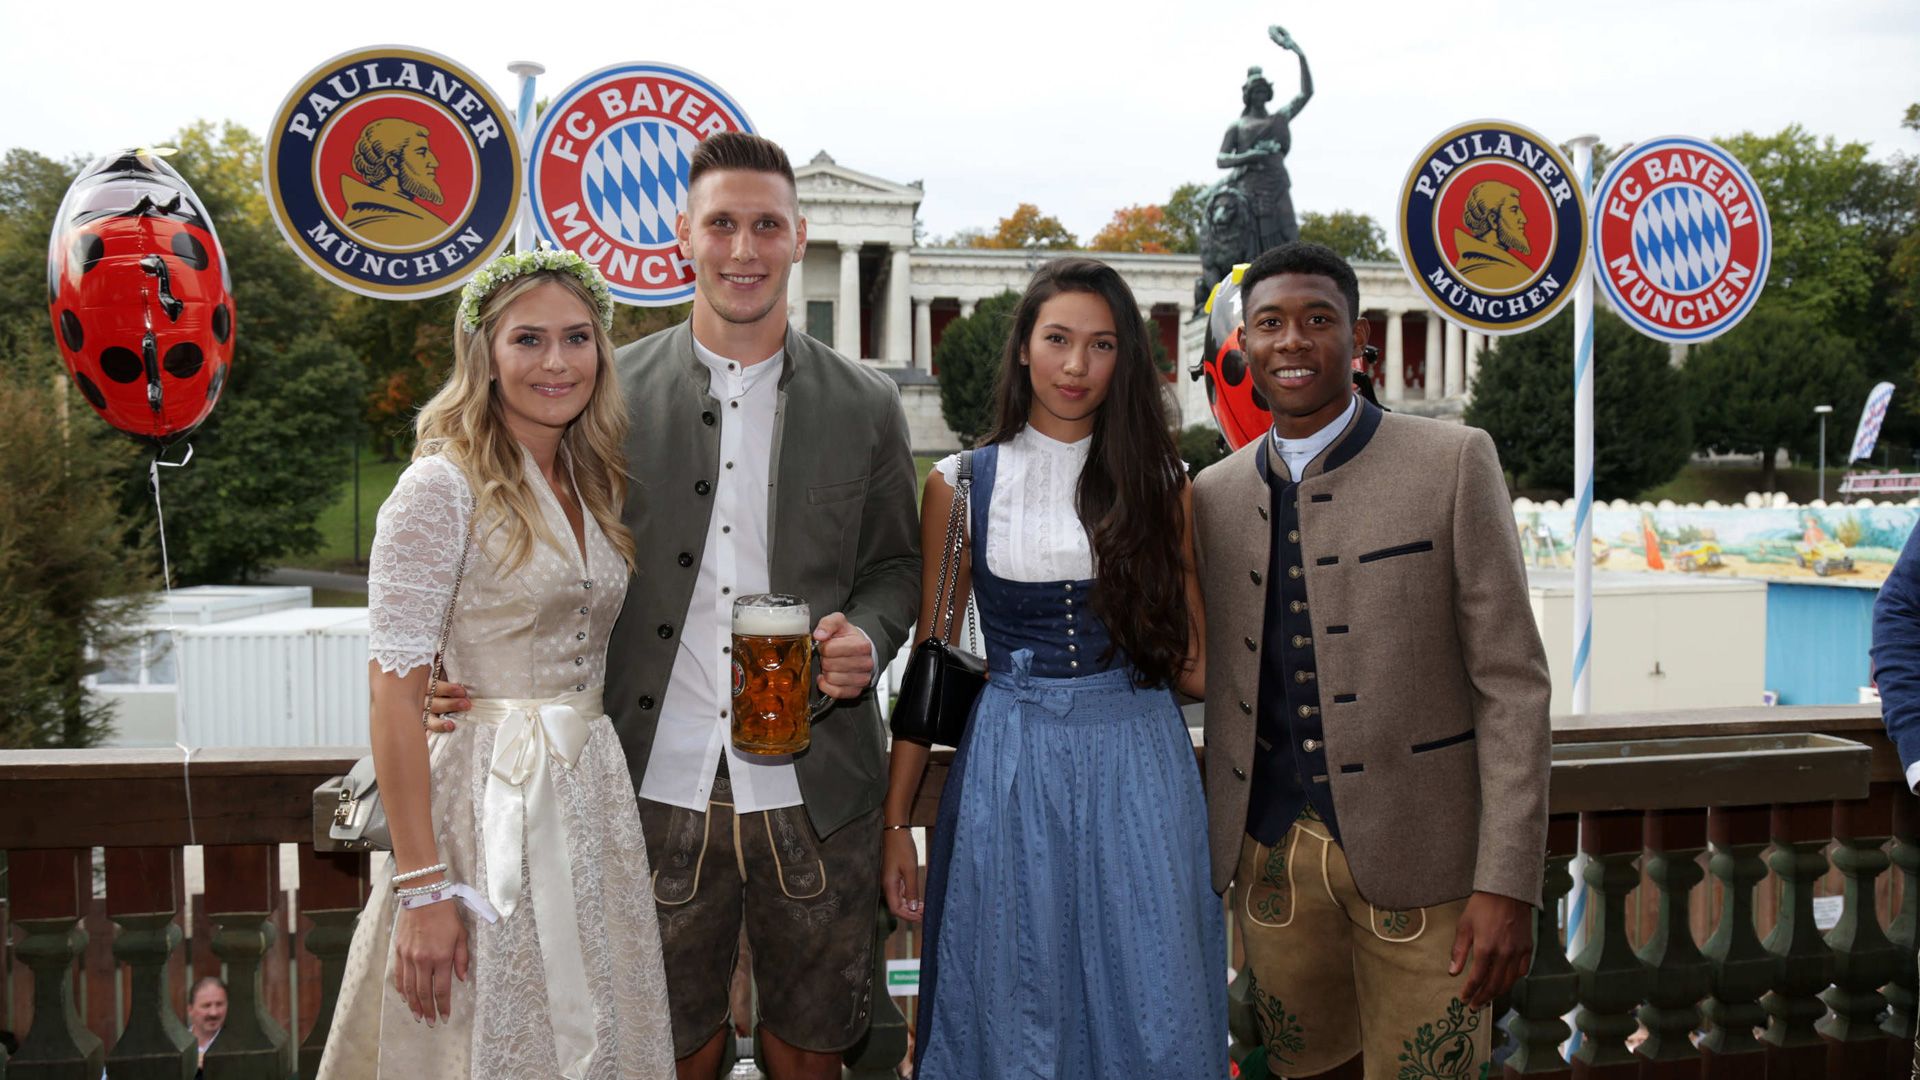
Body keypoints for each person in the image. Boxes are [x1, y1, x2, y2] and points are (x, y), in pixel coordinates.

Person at [435, 132, 921, 1080]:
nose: (744, 249)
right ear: (682, 237)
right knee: (664, 1052)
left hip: (821, 787)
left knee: (812, 1052)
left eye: (766, 226)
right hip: (647, 781)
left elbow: (897, 565)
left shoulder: (866, 402)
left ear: (799, 237)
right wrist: (453, 672)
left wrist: (868, 635)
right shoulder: (600, 389)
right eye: (722, 224)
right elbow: (514, 536)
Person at [1192, 241, 1550, 1080]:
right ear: (1244, 344)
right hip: (1271, 861)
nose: (1292, 340)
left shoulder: (1453, 461)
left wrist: (1508, 881)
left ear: (1359, 342)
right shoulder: (1212, 494)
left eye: (1317, 319)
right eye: (1270, 324)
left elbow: (1512, 685)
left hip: (1431, 864)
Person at [317, 247, 674, 1079]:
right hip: (482, 808)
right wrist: (424, 889)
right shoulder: (438, 488)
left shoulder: (591, 480)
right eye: (528, 339)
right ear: (484, 354)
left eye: (577, 338)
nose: (557, 362)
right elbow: (393, 699)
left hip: (590, 796)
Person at [883, 256, 1228, 1078]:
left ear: (1125, 360)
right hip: (1012, 762)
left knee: (1153, 987)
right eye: (1058, 339)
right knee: (1013, 991)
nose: (1077, 365)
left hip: (1138, 757)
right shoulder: (960, 487)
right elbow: (935, 656)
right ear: (1024, 348)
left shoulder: (1163, 484)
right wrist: (896, 822)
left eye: (1101, 345)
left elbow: (1198, 667)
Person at [188, 976, 226, 1076]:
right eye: (206, 1005)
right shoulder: (178, 1047)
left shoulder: (239, 1047)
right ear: (190, 1010)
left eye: (219, 1004)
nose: (214, 1013)